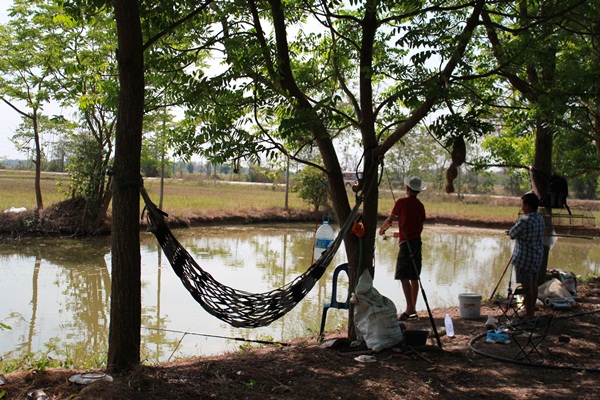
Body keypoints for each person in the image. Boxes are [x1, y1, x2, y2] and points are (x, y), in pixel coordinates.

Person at [379, 176, 426, 321]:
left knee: (403, 275)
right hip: (417, 243)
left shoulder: (401, 202)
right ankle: (413, 307)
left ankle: (409, 308)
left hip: (406, 245)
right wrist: (400, 233)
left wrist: (382, 230)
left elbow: (390, 220)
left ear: (407, 188)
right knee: (414, 276)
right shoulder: (420, 206)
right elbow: (419, 228)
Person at [508, 191, 545, 320]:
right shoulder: (540, 218)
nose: (521, 207)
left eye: (522, 204)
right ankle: (531, 311)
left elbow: (512, 234)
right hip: (536, 257)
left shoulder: (525, 220)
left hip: (524, 258)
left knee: (526, 286)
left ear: (527, 206)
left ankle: (528, 314)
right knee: (533, 283)